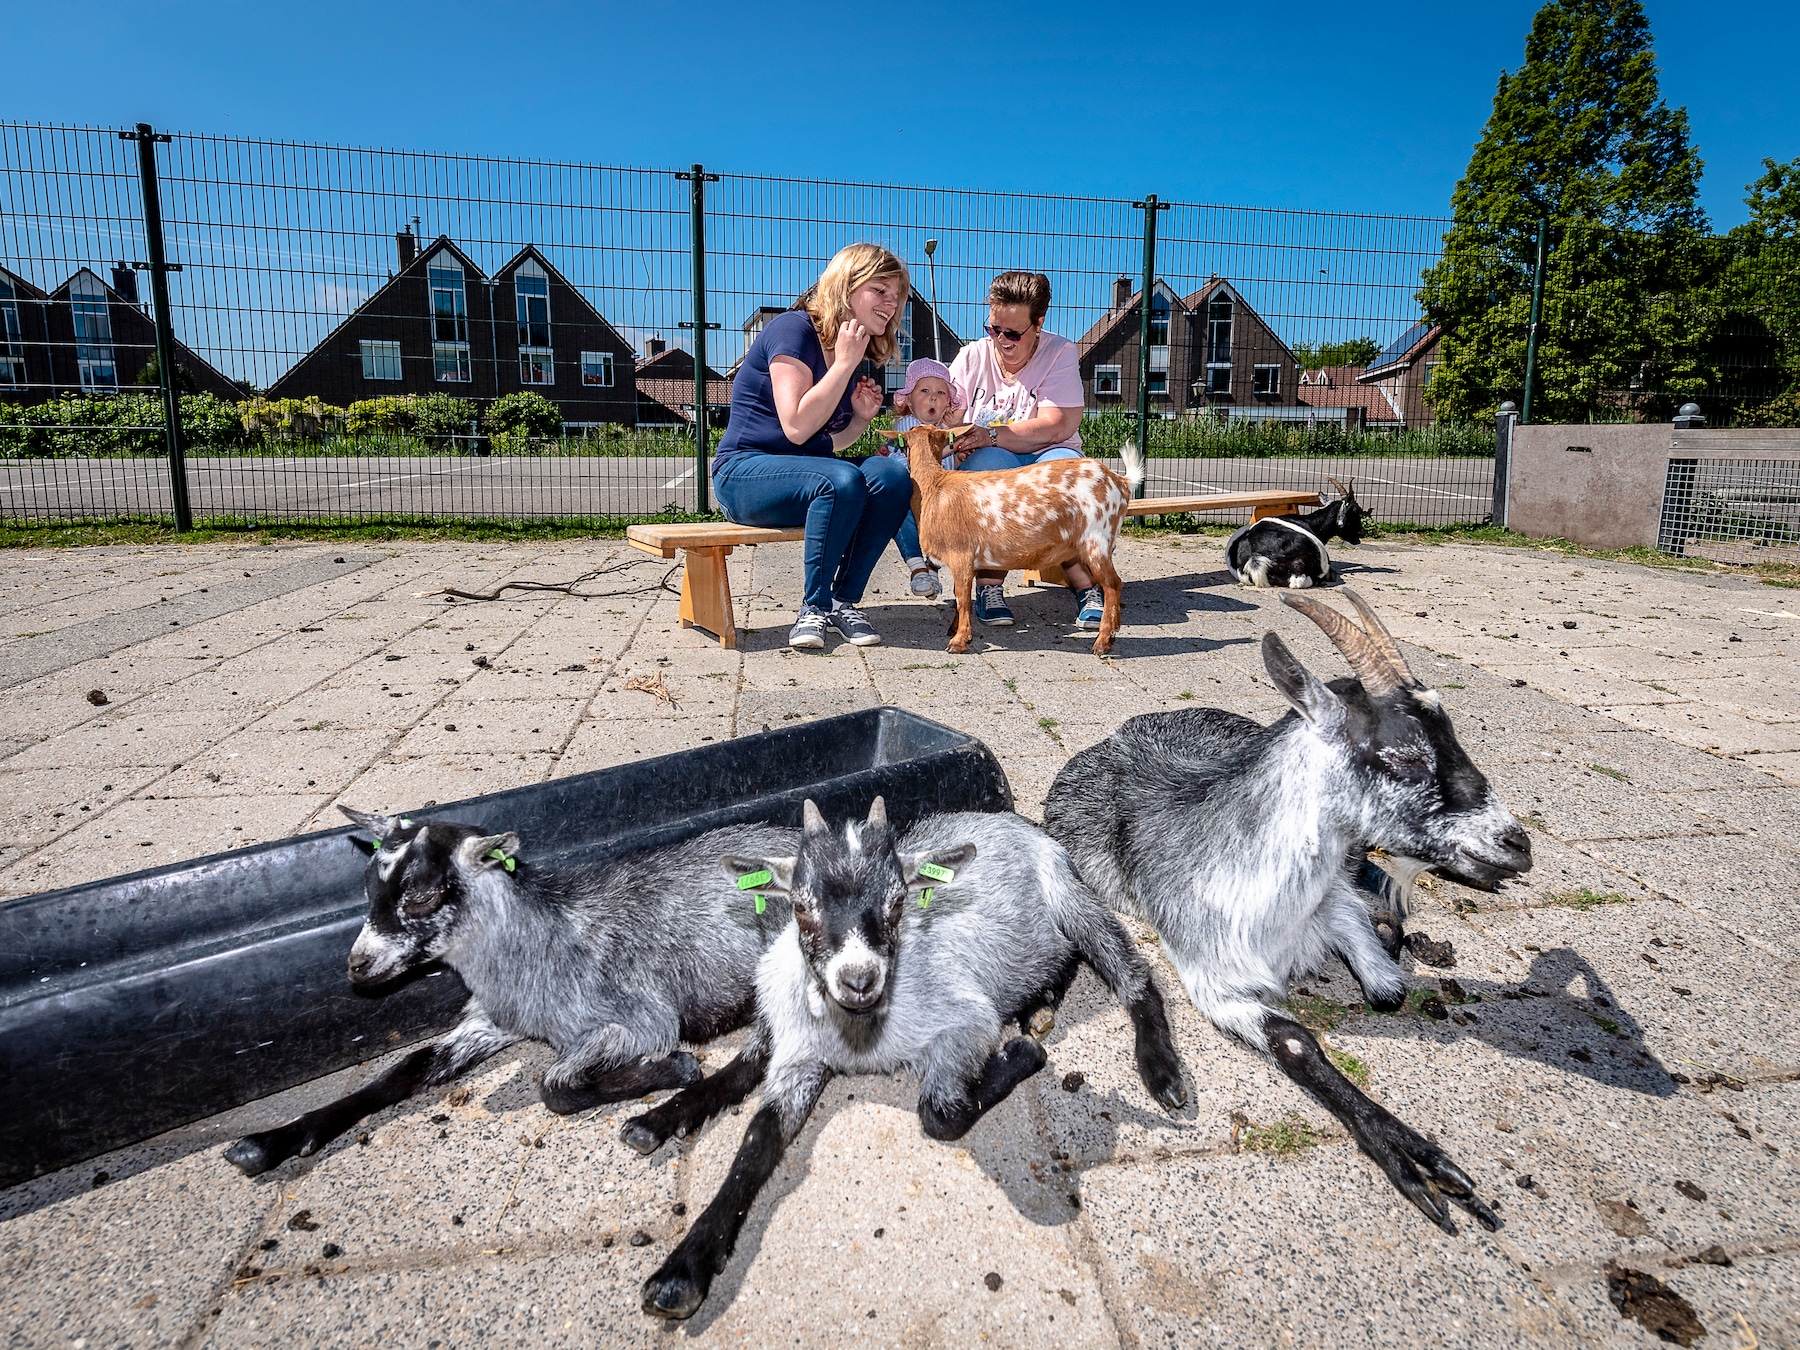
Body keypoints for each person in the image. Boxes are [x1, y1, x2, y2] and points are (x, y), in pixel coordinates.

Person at [712, 244, 914, 650]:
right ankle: (814, 608)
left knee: (892, 474)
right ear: (847, 286)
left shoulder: (850, 347)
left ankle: (842, 600)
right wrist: (842, 365)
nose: (891, 304)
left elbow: (830, 444)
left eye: (896, 296)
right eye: (880, 290)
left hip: (806, 471)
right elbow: (797, 427)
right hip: (744, 474)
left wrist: (859, 417)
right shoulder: (793, 329)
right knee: (839, 481)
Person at [945, 271, 1105, 631]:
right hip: (998, 457)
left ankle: (1087, 587)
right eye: (993, 329)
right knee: (987, 471)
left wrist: (992, 434)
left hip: (1049, 453)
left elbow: (1058, 425)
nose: (1001, 340)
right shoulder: (971, 356)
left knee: (1065, 478)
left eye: (1013, 333)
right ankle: (988, 588)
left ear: (1039, 324)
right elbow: (948, 412)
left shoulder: (1059, 352)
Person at [875, 357, 962, 600]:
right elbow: (914, 459)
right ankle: (917, 566)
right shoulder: (908, 426)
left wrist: (960, 456)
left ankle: (932, 567)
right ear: (909, 401)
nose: (933, 397)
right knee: (900, 513)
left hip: (939, 500)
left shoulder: (946, 432)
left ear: (947, 403)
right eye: (925, 390)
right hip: (914, 496)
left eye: (941, 392)